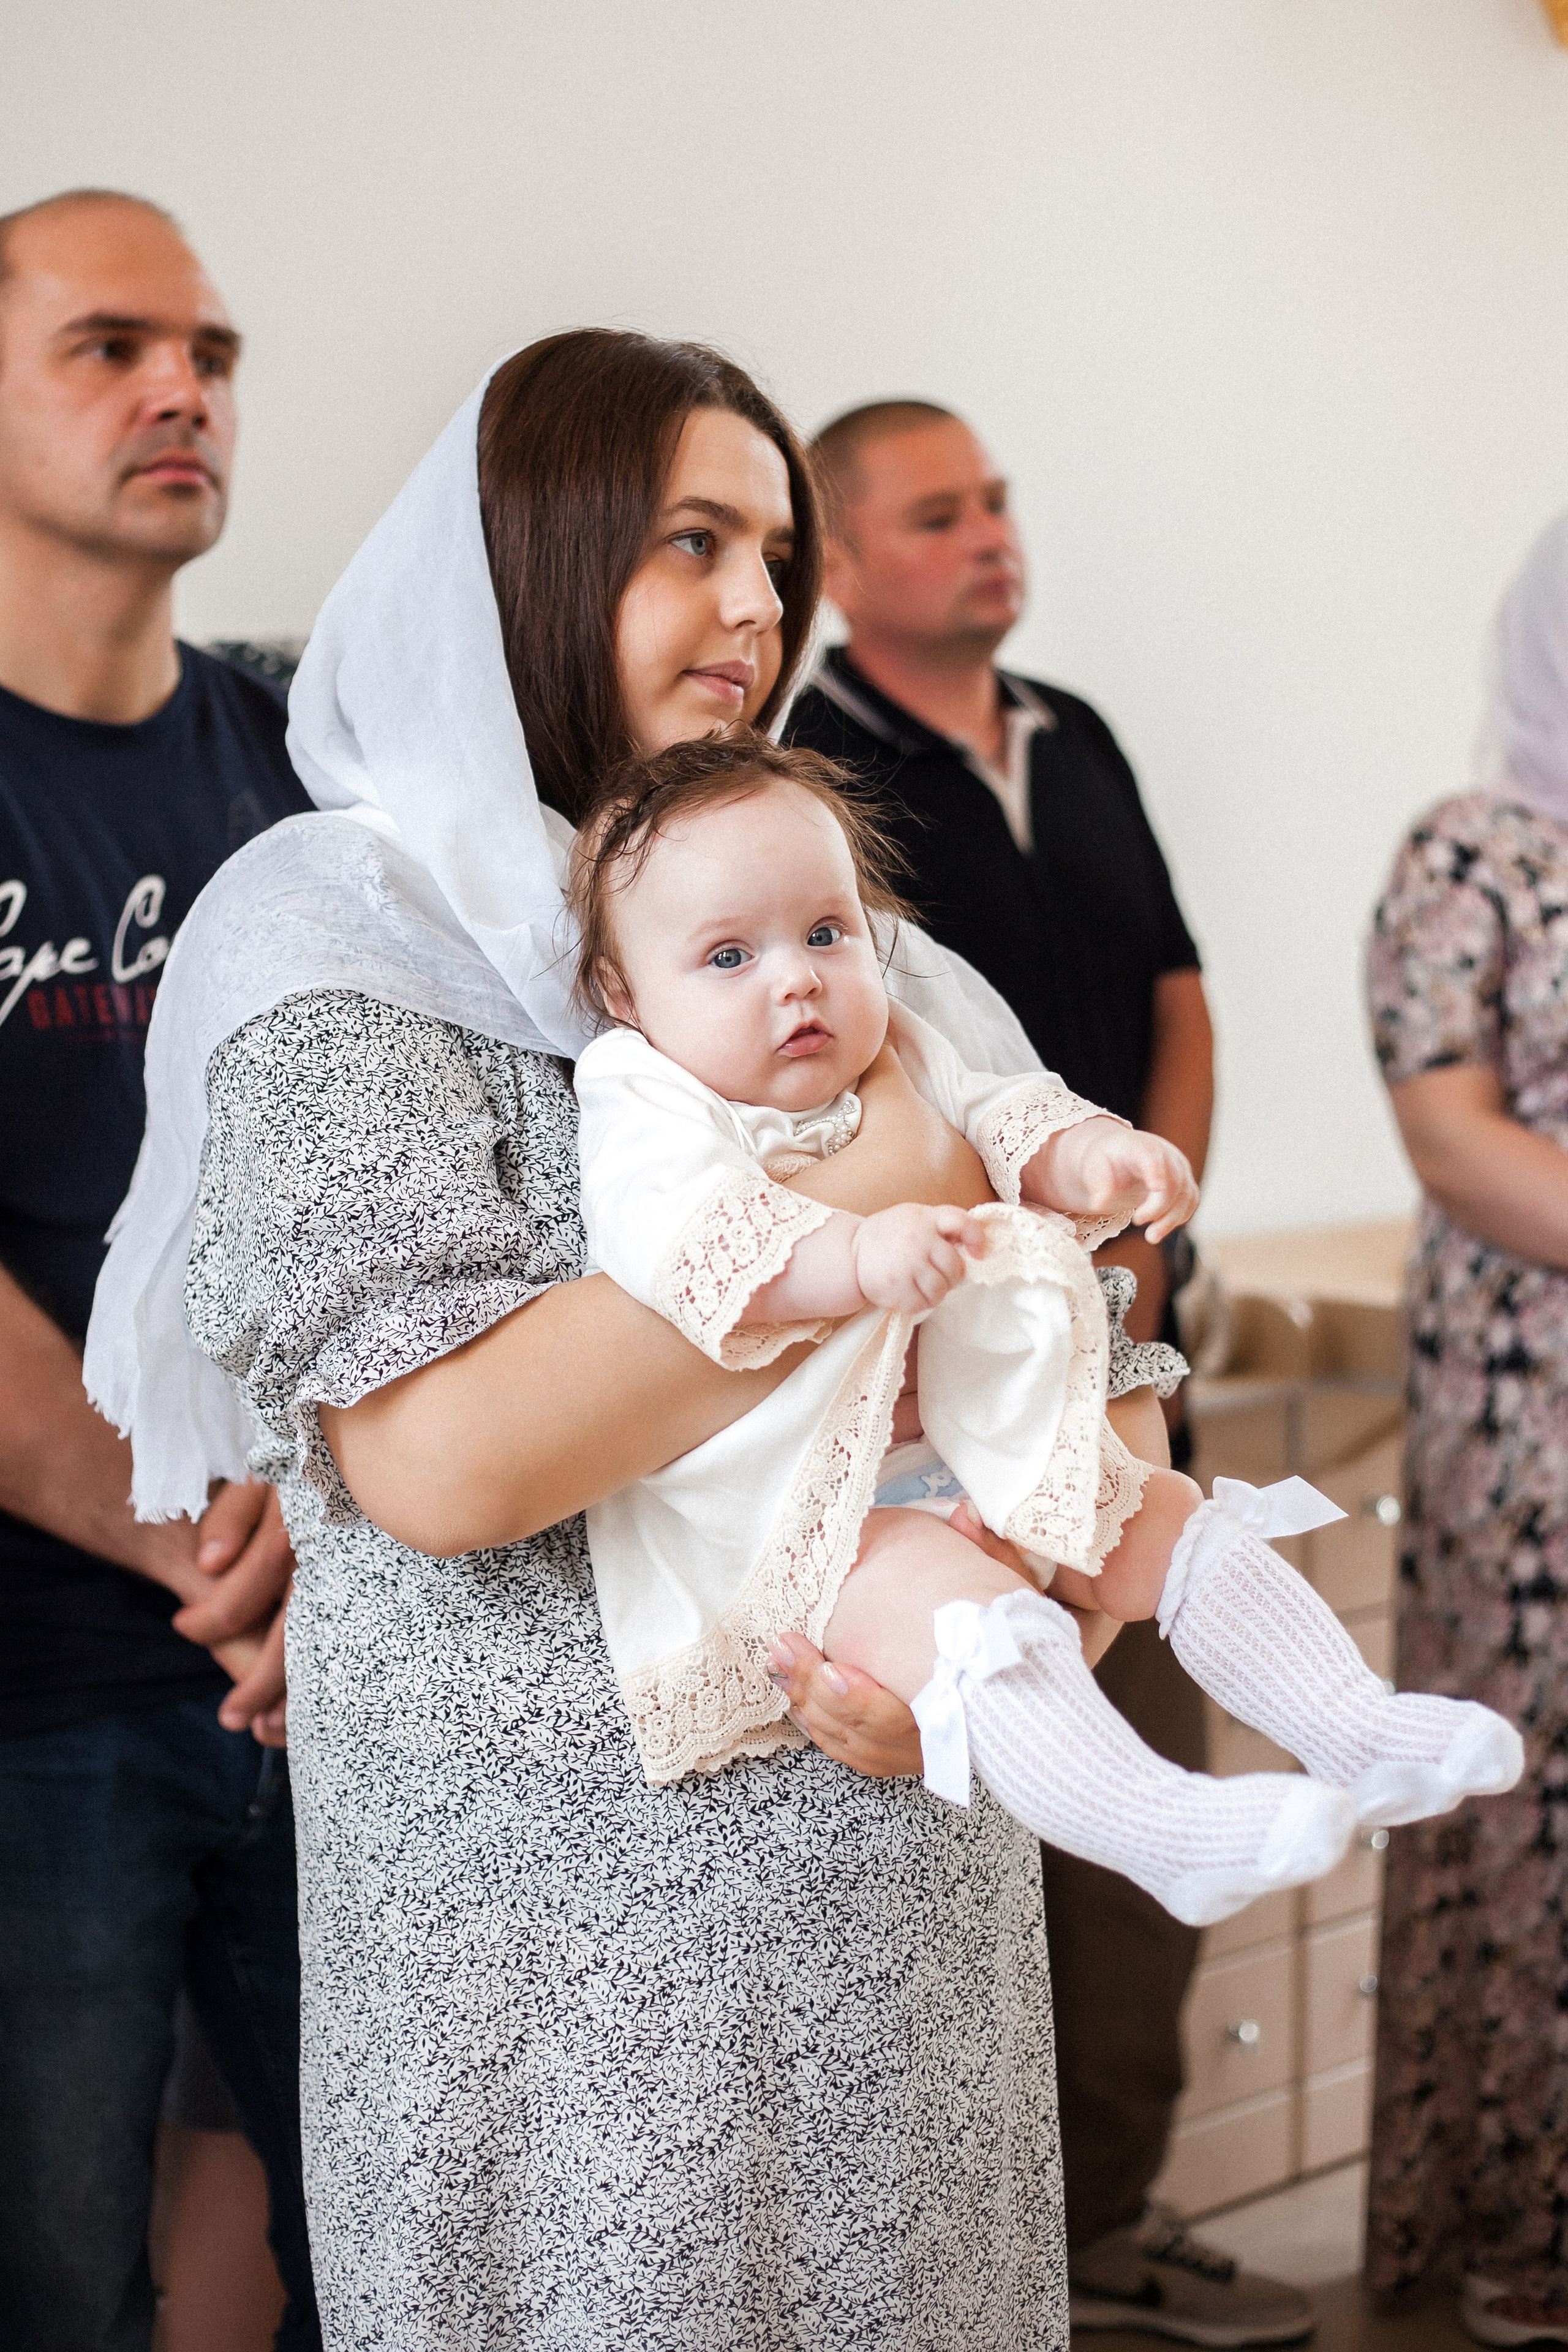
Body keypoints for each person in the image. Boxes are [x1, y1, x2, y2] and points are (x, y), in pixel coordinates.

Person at [87, 328, 1090, 2350]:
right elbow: (450, 1461)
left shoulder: (869, 946)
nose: (754, 606)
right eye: (686, 543)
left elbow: (1073, 1394)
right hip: (549, 1997)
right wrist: (872, 1184)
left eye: (775, 554)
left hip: (902, 1941)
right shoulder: (339, 939)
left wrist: (1029, 1622)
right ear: (526, 566)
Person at [565, 729, 1517, 1909]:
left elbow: (1004, 1112)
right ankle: (1160, 1830)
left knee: (1160, 1514)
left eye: (826, 933)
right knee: (969, 1611)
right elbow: (685, 1248)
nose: (796, 979)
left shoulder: (898, 1045)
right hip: (804, 1528)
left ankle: (1354, 1725)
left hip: (966, 1453)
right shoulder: (641, 1095)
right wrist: (856, 1251)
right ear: (623, 993)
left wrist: (1096, 1159)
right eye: (727, 956)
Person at [784, 399, 1286, 2343]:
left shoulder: (1074, 738)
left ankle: (1109, 2221)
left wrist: (1141, 1236)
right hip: (920, 1407)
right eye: (939, 512)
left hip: (1124, 1332)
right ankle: (1009, 2252)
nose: (993, 534)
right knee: (993, 1794)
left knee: (1159, 1743)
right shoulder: (813, 774)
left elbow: (1179, 1004)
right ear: (840, 562)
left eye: (997, 499)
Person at [0, 188, 319, 2349]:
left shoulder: (297, 773)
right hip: (37, 1683)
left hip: (322, 1647)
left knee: (370, 2259)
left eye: (208, 350)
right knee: (53, 2289)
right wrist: (186, 1533)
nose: (181, 389)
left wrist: (334, 1516)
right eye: (109, 346)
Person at [1366, 511, 1568, 2348]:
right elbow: (1456, 1135)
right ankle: (1524, 2235)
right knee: (1533, 1803)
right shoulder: (1476, 849)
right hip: (1536, 1417)